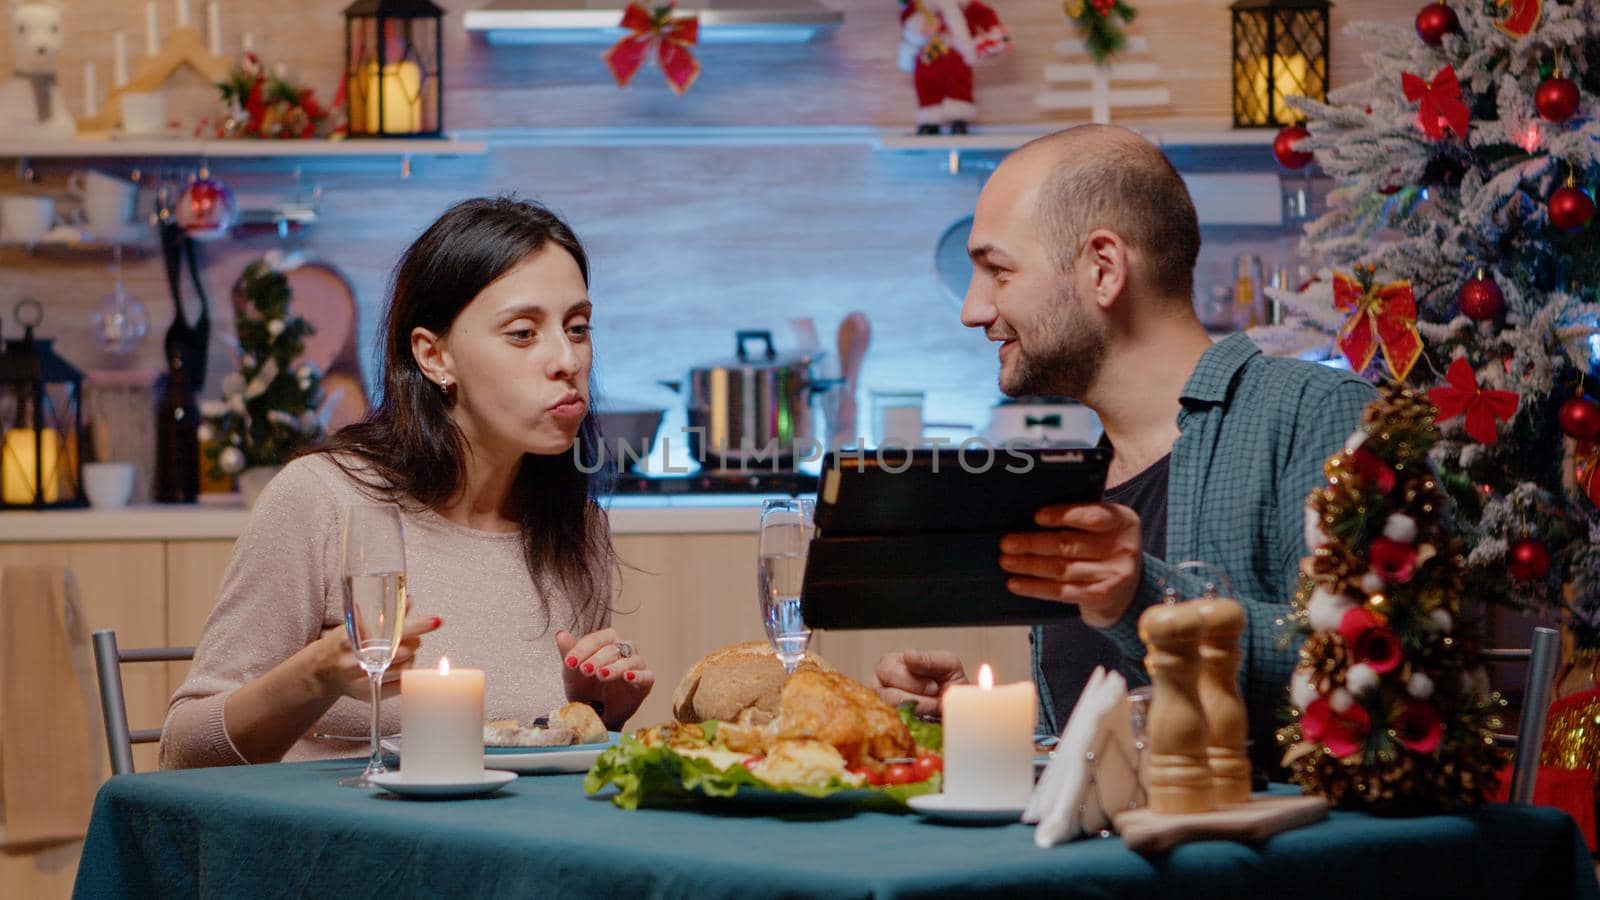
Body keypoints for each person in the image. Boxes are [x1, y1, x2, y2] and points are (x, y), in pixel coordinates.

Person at [874, 125, 1376, 774]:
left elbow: (1357, 678)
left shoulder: (1315, 415)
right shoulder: (1079, 480)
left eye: (997, 271)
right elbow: (1109, 751)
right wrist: (983, 718)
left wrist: (1143, 597)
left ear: (1103, 269)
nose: (973, 310)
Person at [162, 197, 653, 768]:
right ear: (433, 355)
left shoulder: (576, 524)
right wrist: (317, 674)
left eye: (578, 328)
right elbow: (182, 753)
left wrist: (598, 710)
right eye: (523, 333)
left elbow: (543, 757)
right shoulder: (323, 499)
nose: (567, 359)